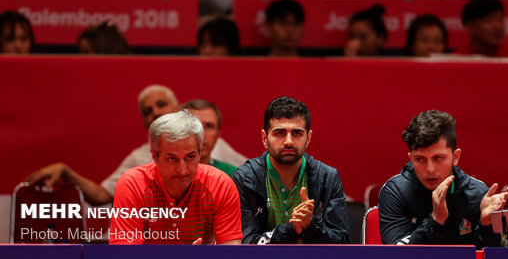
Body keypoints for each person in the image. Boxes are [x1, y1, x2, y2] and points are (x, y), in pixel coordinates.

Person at [25, 85, 247, 206]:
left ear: (179, 108)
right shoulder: (139, 158)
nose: (156, 112)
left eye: (161, 105)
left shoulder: (210, 143)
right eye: (147, 111)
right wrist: (67, 171)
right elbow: (102, 195)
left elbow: (251, 177)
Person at [379, 109, 508, 246]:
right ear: (411, 158)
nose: (430, 169)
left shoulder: (477, 195)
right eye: (420, 159)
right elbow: (396, 255)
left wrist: (487, 224)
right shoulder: (395, 192)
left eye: (438, 158)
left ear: (455, 157)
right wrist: (435, 220)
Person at [110, 110, 243, 244]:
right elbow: (124, 254)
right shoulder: (133, 184)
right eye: (172, 158)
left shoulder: (220, 184)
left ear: (199, 154)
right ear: (155, 156)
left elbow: (232, 252)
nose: (182, 170)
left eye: (190, 157)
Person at [232, 96, 350, 244]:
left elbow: (343, 243)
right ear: (264, 138)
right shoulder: (245, 179)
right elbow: (244, 244)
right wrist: (291, 229)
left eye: (297, 133)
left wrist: (310, 225)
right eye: (279, 133)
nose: (288, 141)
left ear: (308, 138)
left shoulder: (327, 178)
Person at [182, 99, 238, 177]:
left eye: (209, 126)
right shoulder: (164, 172)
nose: (201, 134)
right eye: (193, 126)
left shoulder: (233, 175)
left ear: (218, 135)